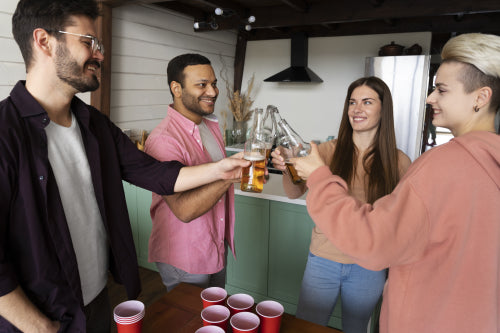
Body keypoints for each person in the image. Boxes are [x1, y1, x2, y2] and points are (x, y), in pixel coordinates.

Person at [0, 1, 249, 332]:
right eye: (88, 42)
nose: (100, 55)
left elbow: (158, 174)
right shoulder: (5, 132)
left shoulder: (94, 125)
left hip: (101, 300)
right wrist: (40, 327)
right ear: (44, 41)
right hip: (39, 318)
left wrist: (223, 169)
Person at [290, 33, 500, 332]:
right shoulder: (488, 161)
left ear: (481, 97)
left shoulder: (438, 164)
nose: (430, 98)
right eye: (352, 102)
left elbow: (375, 240)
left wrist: (320, 178)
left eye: (441, 89)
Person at [271, 77, 411, 332]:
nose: (357, 110)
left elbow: (401, 219)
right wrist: (287, 168)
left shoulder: (399, 161)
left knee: (356, 328)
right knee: (307, 327)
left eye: (367, 102)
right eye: (352, 102)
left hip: (369, 265)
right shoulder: (326, 151)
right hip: (322, 259)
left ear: (384, 109)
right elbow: (294, 192)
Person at [144, 53, 237, 292]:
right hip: (185, 254)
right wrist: (229, 176)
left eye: (214, 83)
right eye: (202, 85)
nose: (214, 91)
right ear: (176, 88)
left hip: (214, 245)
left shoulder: (209, 125)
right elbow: (184, 210)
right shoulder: (164, 140)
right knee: (186, 322)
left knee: (212, 319)